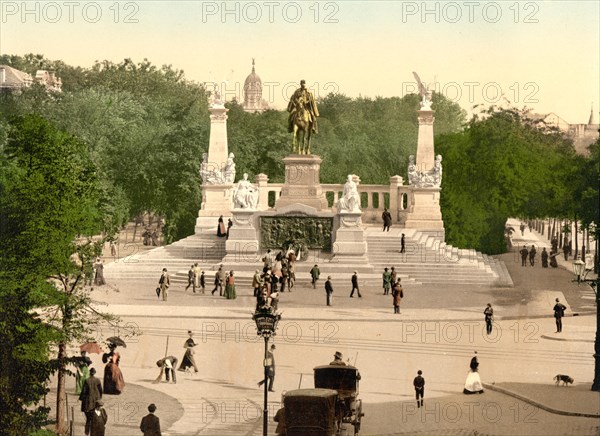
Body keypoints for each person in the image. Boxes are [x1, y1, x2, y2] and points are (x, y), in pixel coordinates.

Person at [79, 367, 102, 435]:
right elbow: (100, 391)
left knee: (88, 419)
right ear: (94, 373)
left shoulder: (87, 380)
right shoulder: (98, 380)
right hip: (96, 402)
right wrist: (99, 398)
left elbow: (84, 391)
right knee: (94, 418)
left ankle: (87, 432)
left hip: (88, 402)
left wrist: (81, 398)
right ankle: (93, 432)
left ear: (89, 372)